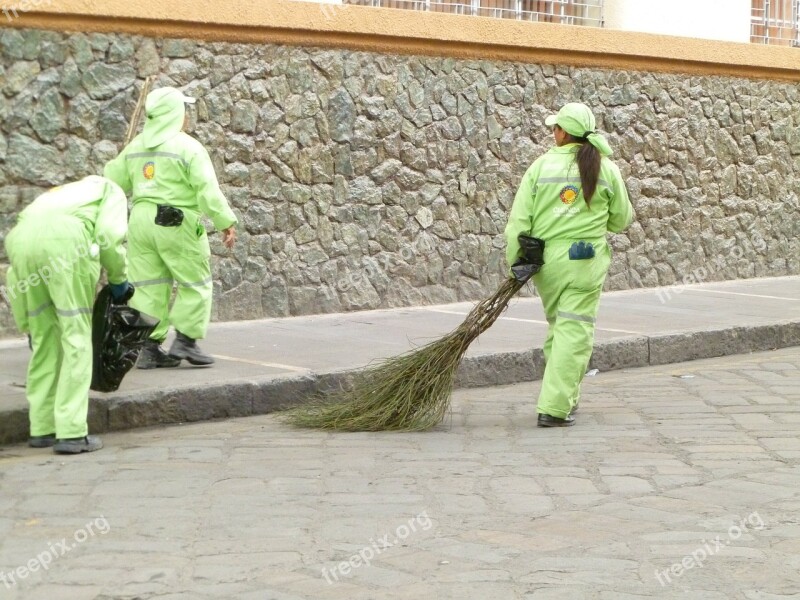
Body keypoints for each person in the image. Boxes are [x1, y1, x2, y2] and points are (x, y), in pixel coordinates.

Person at [505, 102, 634, 428]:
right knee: (574, 330)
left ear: (564, 132)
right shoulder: (606, 169)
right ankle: (555, 408)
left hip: (547, 265)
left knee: (560, 328)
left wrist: (515, 266)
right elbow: (621, 220)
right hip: (584, 264)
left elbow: (518, 224)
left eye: (555, 128)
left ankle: (565, 398)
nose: (553, 133)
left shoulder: (539, 167)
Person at [104, 87, 237, 369]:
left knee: (148, 284)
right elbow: (207, 191)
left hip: (140, 221)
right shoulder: (188, 147)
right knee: (194, 281)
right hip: (176, 221)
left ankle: (148, 348)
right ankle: (186, 340)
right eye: (183, 110)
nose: (186, 116)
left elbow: (112, 180)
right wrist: (225, 221)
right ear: (175, 114)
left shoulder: (136, 146)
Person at [4, 176, 132, 453]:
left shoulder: (57, 193)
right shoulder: (111, 189)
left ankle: (42, 428)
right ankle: (72, 432)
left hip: (20, 243)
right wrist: (119, 278)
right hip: (67, 245)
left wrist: (26, 323)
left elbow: (14, 278)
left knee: (44, 341)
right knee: (76, 337)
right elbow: (109, 237)